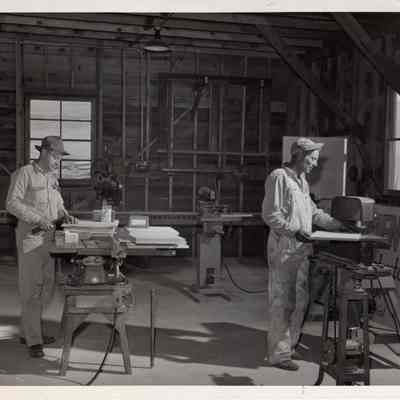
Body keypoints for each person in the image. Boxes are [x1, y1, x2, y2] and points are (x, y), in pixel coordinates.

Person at [262, 137, 343, 371]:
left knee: (300, 301)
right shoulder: (279, 177)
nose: (315, 164)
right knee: (283, 301)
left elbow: (313, 212)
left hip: (301, 249)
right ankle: (278, 355)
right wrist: (294, 231)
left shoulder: (302, 181)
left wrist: (339, 225)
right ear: (298, 155)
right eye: (312, 159)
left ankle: (289, 346)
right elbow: (270, 215)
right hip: (284, 248)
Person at [6, 136, 75, 358]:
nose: (58, 161)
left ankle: (28, 330)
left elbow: (58, 201)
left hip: (50, 240)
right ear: (44, 152)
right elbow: (12, 203)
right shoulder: (24, 173)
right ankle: (33, 340)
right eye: (56, 156)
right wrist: (37, 218)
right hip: (31, 239)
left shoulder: (52, 177)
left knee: (48, 287)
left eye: (60, 158)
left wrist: (64, 213)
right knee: (31, 290)